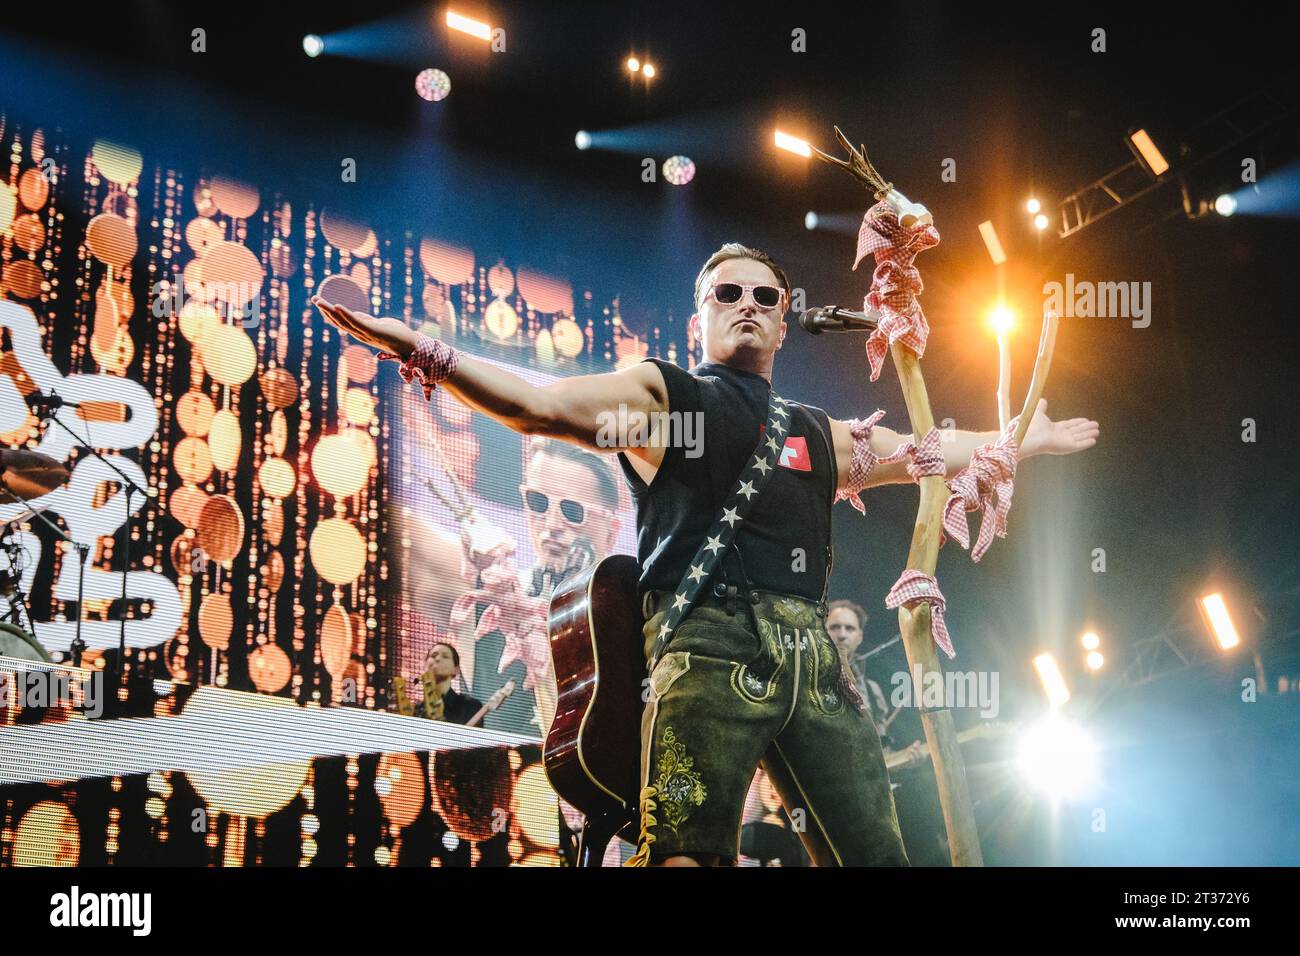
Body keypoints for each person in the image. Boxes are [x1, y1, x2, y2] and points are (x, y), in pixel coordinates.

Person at [312, 240, 1098, 866]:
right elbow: (540, 409)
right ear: (700, 319)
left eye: (766, 297)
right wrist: (424, 350)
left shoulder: (816, 432)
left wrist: (1022, 441)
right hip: (706, 647)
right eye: (729, 294)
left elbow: (927, 449)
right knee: (686, 852)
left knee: (875, 853)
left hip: (815, 659)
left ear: (786, 323)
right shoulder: (664, 402)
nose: (748, 306)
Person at [826, 599, 896, 748]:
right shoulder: (803, 678)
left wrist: (905, 759)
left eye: (850, 628)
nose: (842, 635)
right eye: (834, 627)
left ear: (860, 636)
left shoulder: (872, 690)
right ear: (822, 631)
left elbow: (881, 754)